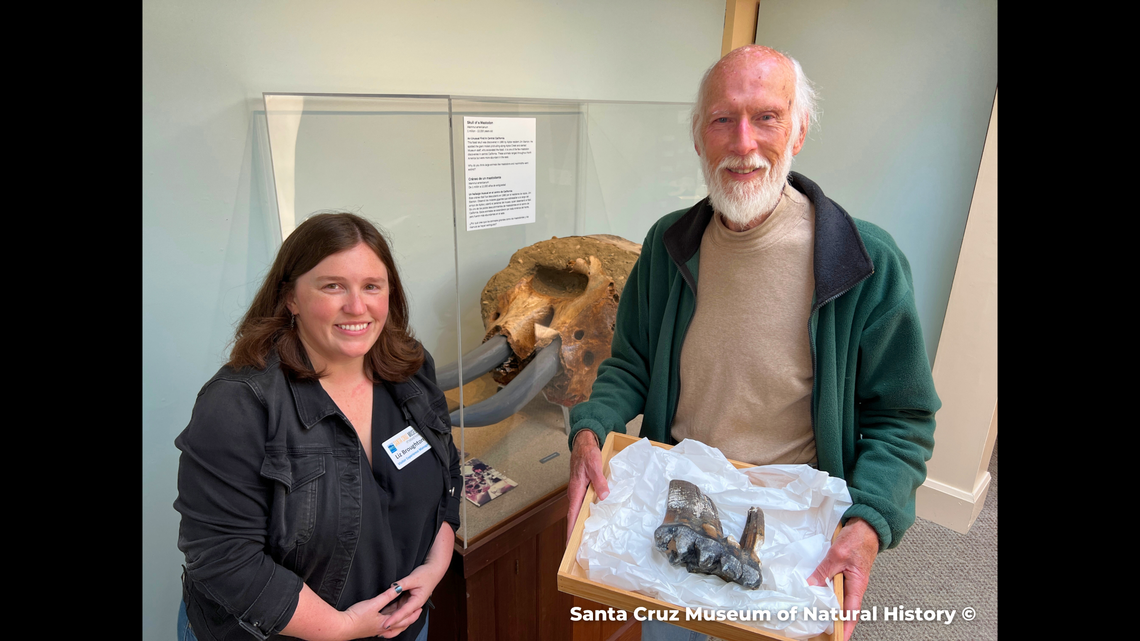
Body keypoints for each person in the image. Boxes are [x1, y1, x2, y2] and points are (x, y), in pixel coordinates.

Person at [565, 46, 940, 641]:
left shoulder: (866, 262)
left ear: (798, 130)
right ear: (698, 136)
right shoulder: (668, 245)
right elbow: (629, 363)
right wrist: (590, 426)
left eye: (766, 117)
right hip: (679, 505)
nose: (743, 143)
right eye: (723, 120)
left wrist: (871, 521)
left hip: (795, 532)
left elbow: (903, 419)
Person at [174, 213, 461, 641]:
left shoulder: (410, 369)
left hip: (402, 624)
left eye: (371, 286)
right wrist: (342, 628)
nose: (357, 306)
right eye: (333, 286)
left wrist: (433, 569)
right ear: (290, 297)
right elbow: (223, 558)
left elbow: (447, 476)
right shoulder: (240, 403)